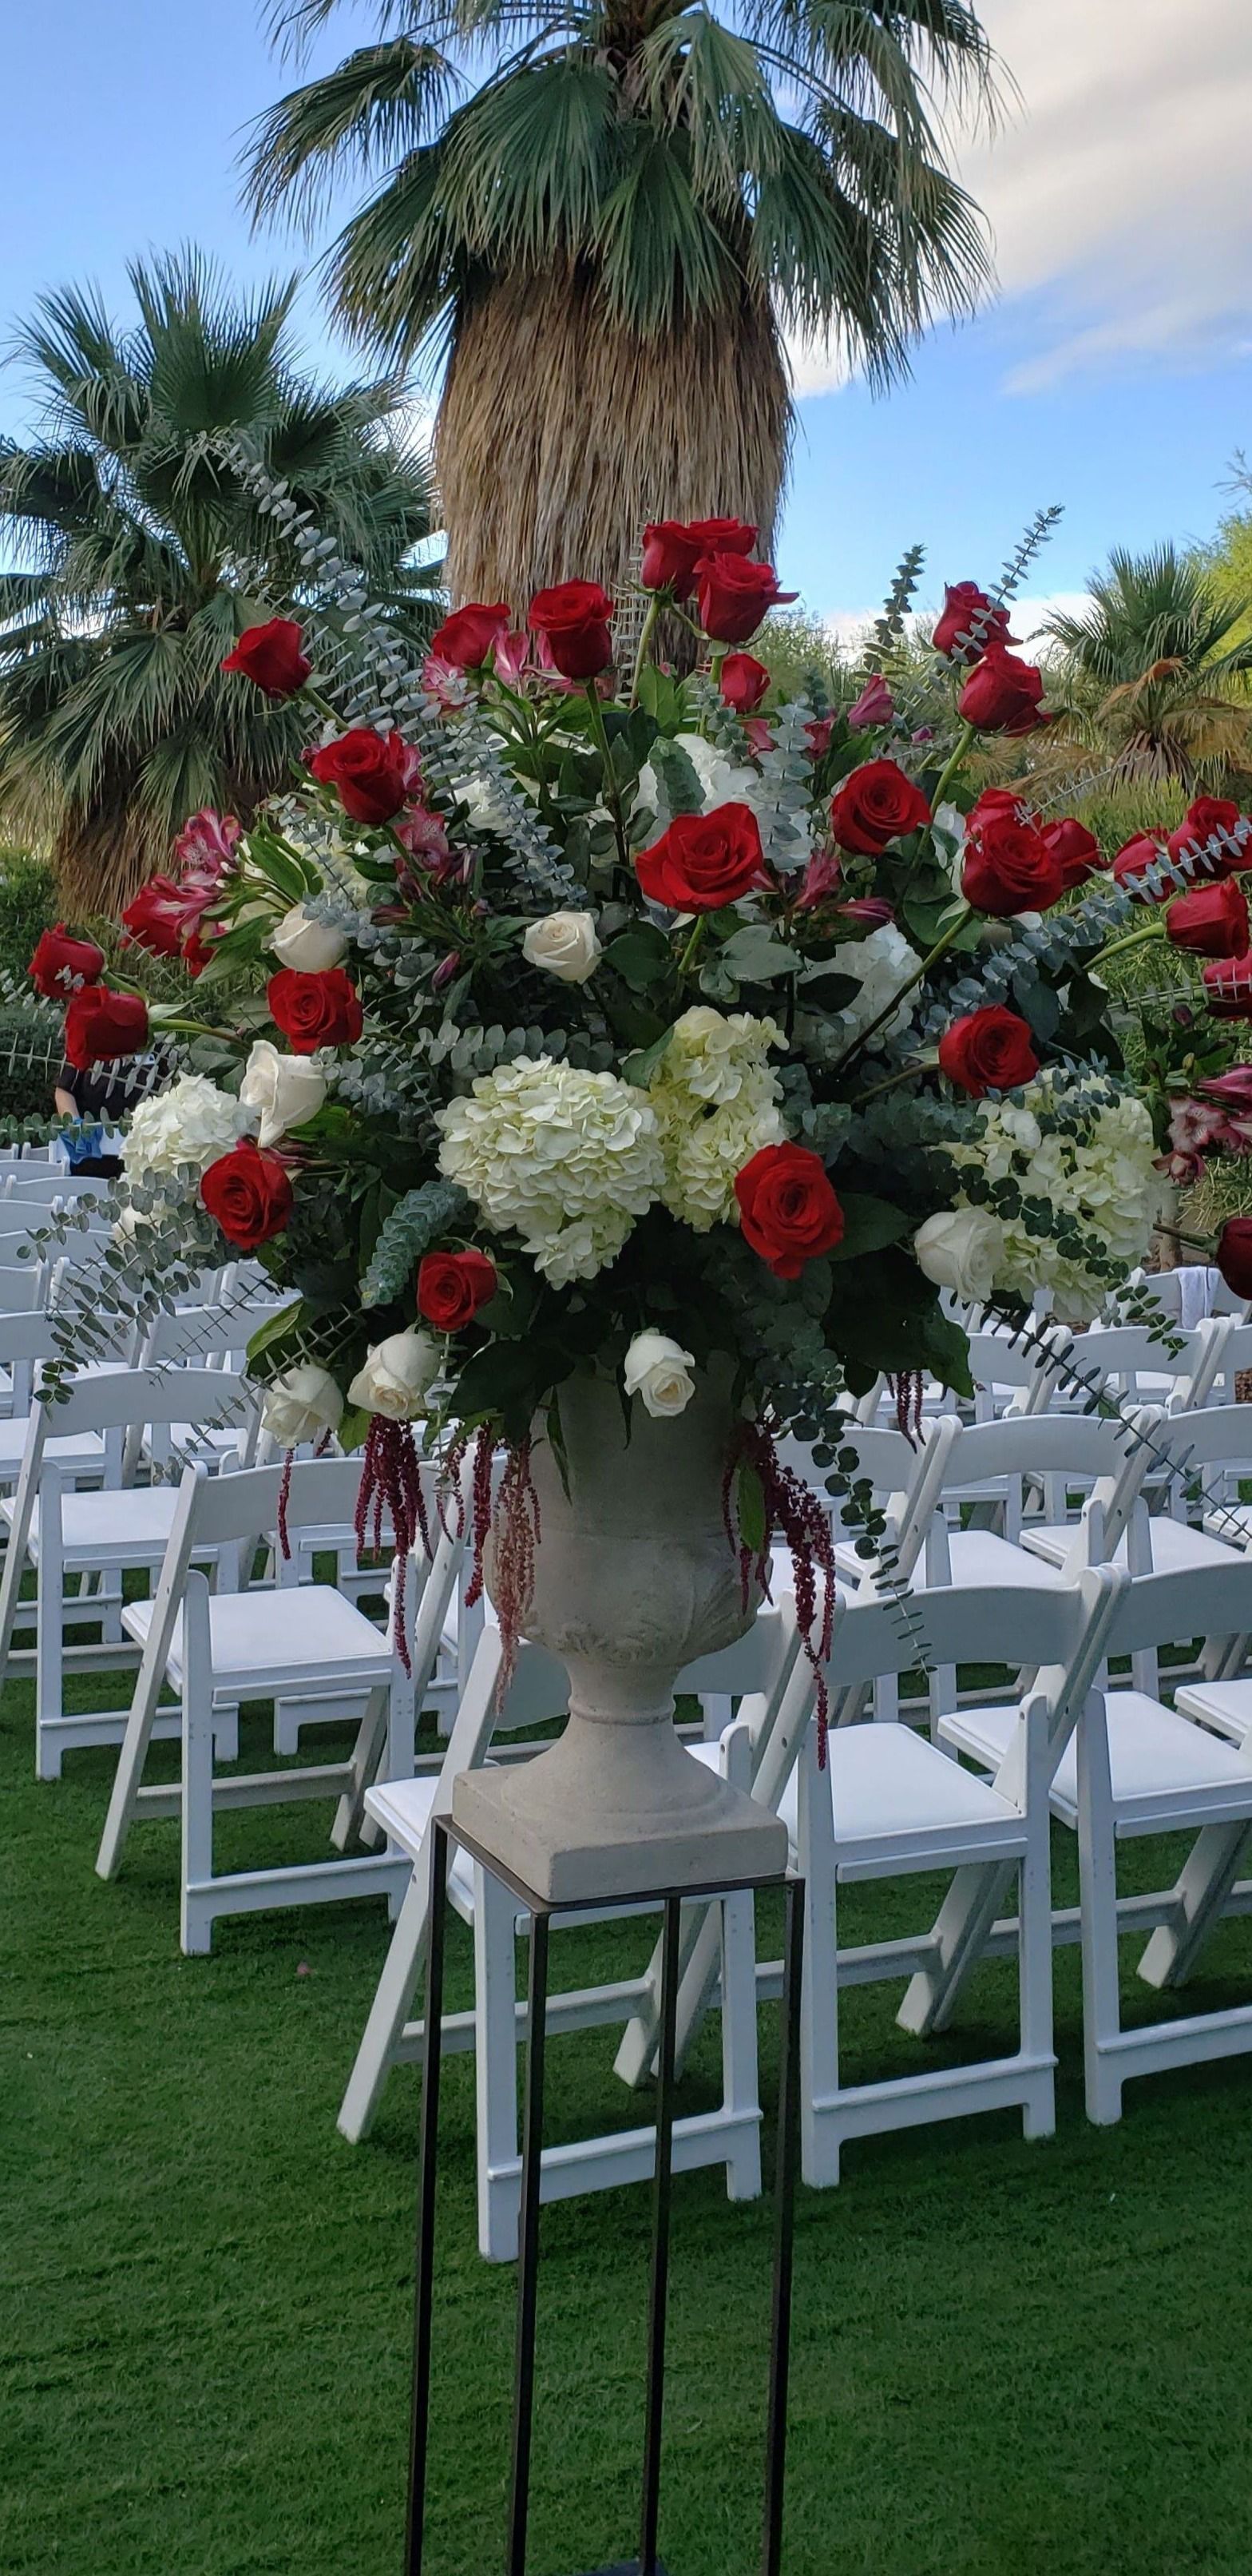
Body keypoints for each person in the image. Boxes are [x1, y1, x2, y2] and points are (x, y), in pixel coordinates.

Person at [51, 1057, 130, 1177]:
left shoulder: (158, 1048)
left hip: (138, 1163)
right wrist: (74, 1123)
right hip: (87, 1160)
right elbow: (64, 1090)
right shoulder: (86, 1043)